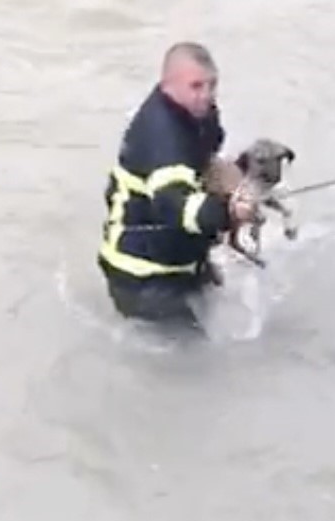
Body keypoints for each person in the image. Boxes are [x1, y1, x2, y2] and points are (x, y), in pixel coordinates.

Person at [97, 42, 255, 329]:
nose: (206, 95)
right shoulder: (163, 137)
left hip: (183, 262)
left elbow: (205, 163)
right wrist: (229, 212)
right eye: (196, 86)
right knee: (196, 366)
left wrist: (244, 170)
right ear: (167, 85)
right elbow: (176, 206)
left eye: (212, 85)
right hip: (143, 277)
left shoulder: (199, 114)